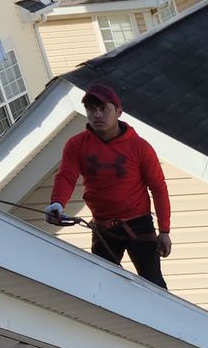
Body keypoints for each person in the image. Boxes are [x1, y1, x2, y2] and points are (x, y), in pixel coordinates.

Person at [47, 85, 173, 288]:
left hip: (138, 225)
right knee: (102, 284)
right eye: (91, 109)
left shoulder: (139, 147)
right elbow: (66, 176)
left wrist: (164, 230)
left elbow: (158, 188)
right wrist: (57, 204)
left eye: (104, 108)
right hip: (103, 227)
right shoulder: (76, 145)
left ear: (118, 112)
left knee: (154, 286)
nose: (97, 114)